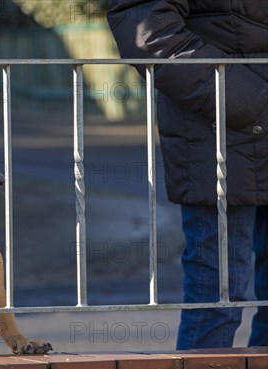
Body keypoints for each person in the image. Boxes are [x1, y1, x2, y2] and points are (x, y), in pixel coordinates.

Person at [107, 1, 267, 349]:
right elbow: (145, 27)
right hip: (218, 127)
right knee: (219, 299)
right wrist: (251, 99)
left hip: (239, 115)